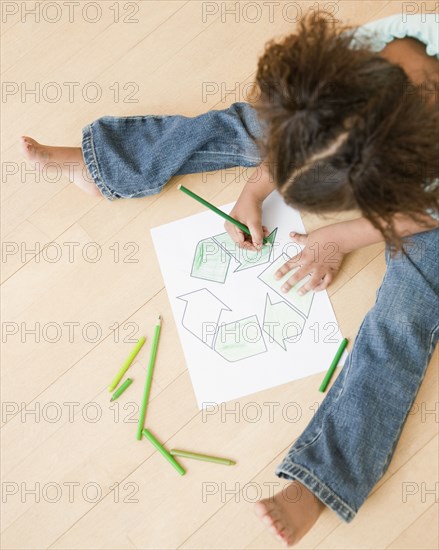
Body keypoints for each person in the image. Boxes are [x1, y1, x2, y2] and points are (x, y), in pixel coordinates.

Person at [21, 11, 438, 546]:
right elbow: (292, 139)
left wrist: (342, 237)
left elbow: (422, 213)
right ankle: (106, 163)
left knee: (407, 315)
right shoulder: (362, 59)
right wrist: (256, 189)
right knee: (251, 125)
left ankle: (322, 480)